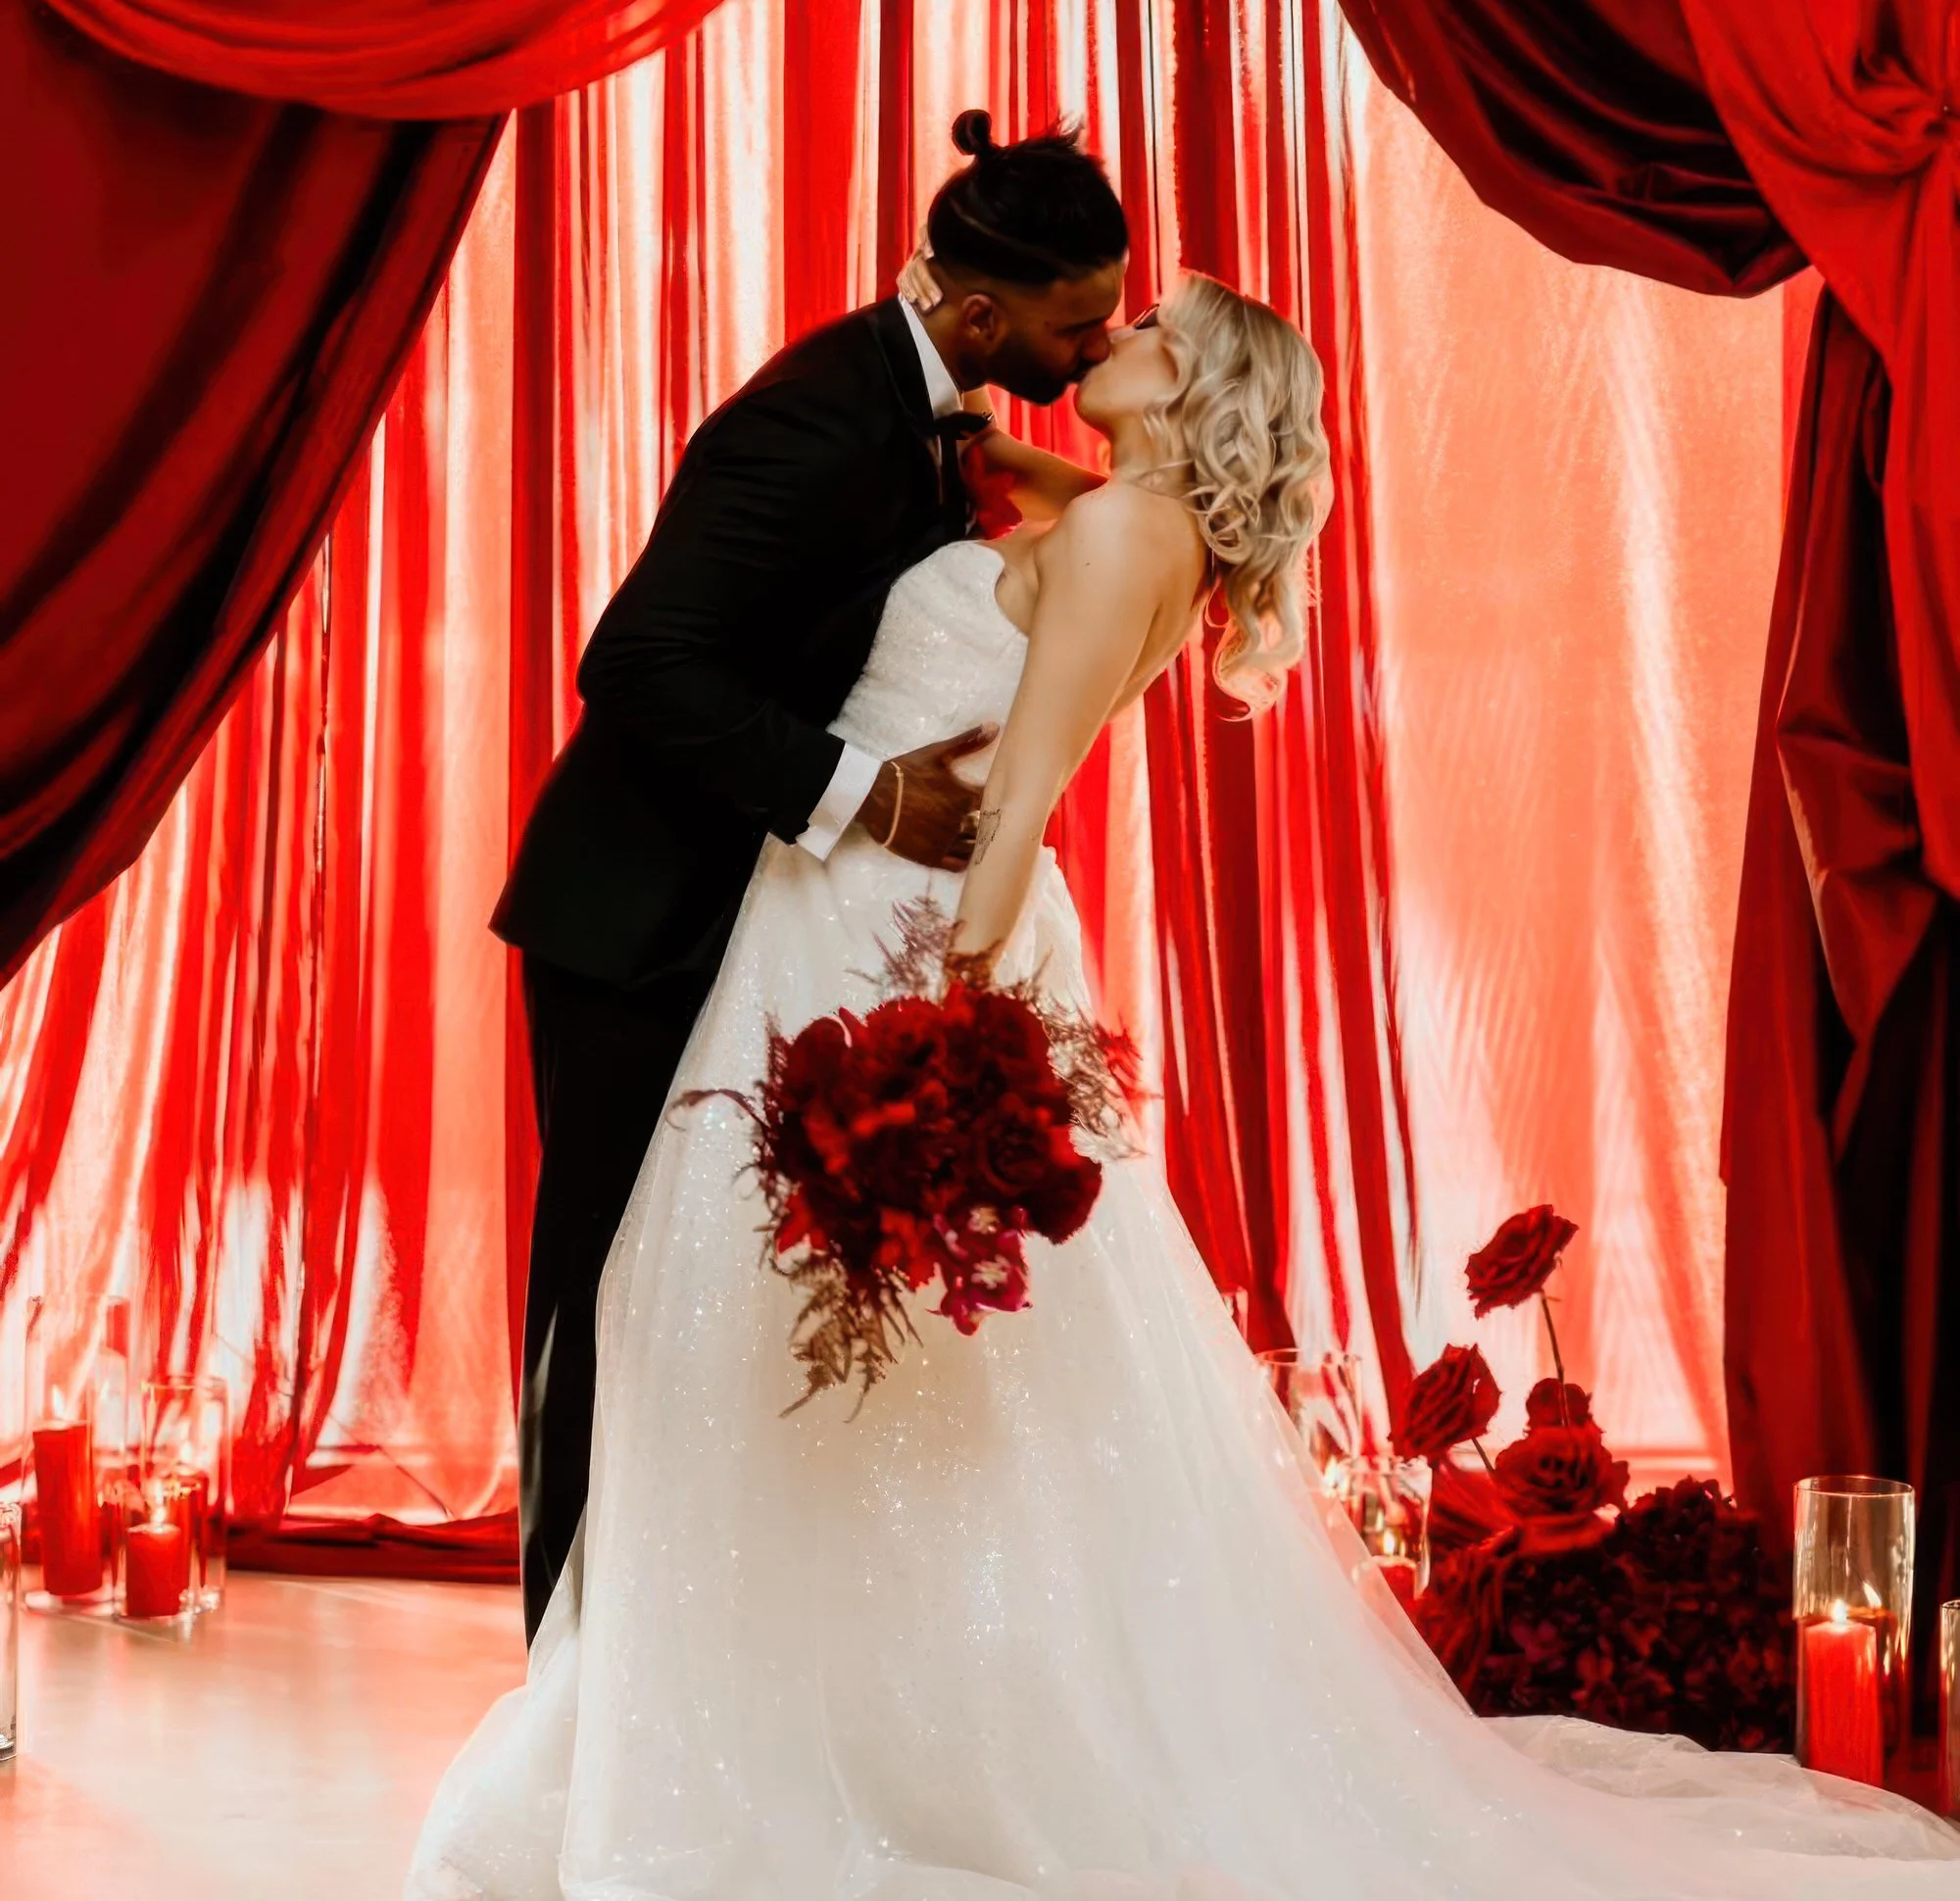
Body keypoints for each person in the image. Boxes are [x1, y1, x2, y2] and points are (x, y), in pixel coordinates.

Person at [416, 242, 1960, 1897]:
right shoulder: (1134, 519)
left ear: (1196, 381)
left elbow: (1016, 804)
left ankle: (829, 1734)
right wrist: (958, 421)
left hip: (898, 927)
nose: (1114, 327)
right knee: (820, 1348)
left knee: (796, 1329)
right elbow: (1039, 499)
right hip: (835, 916)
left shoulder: (1125, 537)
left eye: (1148, 325)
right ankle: (832, 1707)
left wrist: (947, 1037)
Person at [491, 111, 1128, 1637]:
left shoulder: (927, 406)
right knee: (604, 1296)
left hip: (754, 919)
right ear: (985, 316)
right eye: (1078, 322)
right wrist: (872, 792)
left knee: (699, 1305)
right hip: (637, 919)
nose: (1097, 345)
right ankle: (562, 1664)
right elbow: (637, 660)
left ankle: (670, 1643)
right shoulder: (814, 420)